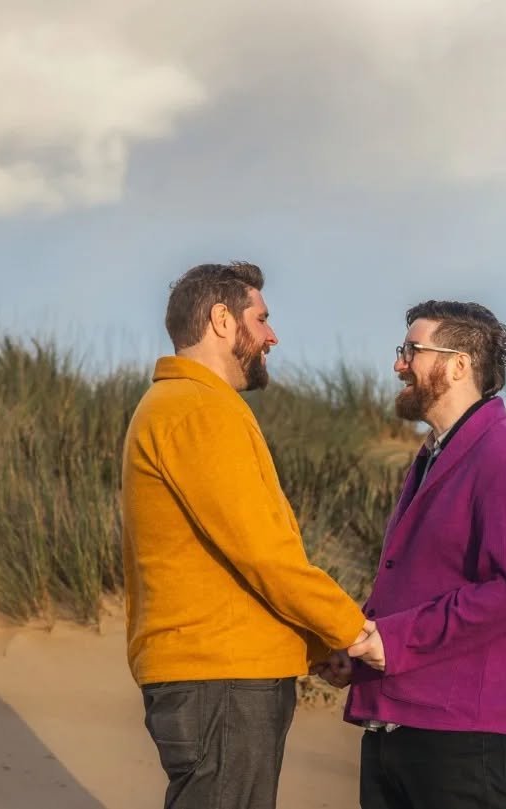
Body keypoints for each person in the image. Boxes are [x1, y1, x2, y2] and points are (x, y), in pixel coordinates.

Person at [121, 261, 371, 809]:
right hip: (221, 680)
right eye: (261, 319)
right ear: (221, 320)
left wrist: (313, 644)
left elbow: (226, 560)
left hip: (218, 675)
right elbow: (262, 552)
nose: (272, 335)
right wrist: (350, 629)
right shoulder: (198, 409)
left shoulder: (184, 406)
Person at [315, 300, 506, 809]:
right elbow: (422, 582)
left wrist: (395, 640)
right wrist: (359, 655)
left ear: (458, 365)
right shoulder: (435, 455)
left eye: (412, 350)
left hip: (462, 740)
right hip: (395, 728)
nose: (399, 364)